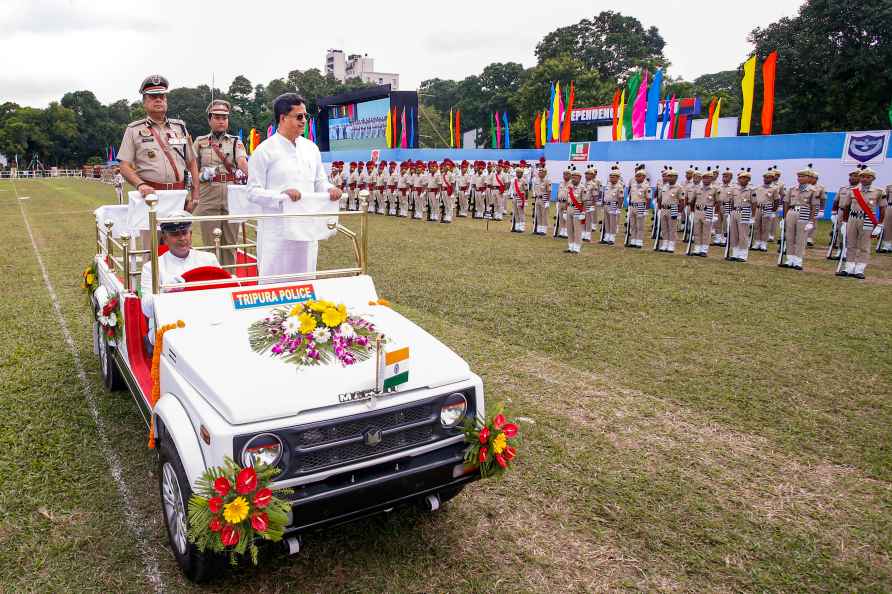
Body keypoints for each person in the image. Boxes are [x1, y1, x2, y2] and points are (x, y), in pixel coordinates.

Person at [246, 93, 341, 277]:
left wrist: (330, 189)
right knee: (274, 285)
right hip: (276, 232)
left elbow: (320, 180)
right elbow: (252, 192)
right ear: (283, 118)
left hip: (306, 228)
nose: (304, 120)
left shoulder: (311, 148)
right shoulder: (264, 150)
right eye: (299, 116)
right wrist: (281, 196)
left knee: (305, 282)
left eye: (305, 116)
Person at [117, 75, 201, 248]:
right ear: (144, 102)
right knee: (152, 251)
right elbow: (124, 166)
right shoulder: (134, 130)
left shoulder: (180, 127)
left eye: (161, 96)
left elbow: (191, 162)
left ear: (166, 100)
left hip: (179, 197)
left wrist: (196, 195)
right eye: (153, 97)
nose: (158, 100)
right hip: (152, 198)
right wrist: (140, 185)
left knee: (181, 248)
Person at [140, 211, 220, 345]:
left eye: (184, 233)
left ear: (191, 235)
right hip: (170, 323)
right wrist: (164, 291)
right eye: (175, 234)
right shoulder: (152, 267)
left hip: (206, 319)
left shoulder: (208, 259)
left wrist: (234, 282)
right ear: (165, 239)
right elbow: (147, 310)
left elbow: (222, 294)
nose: (182, 238)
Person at [192, 100, 248, 269]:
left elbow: (241, 160)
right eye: (217, 117)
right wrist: (203, 175)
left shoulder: (235, 141)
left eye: (224, 117)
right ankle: (212, 279)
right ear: (209, 120)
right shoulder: (200, 142)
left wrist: (251, 176)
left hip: (231, 195)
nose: (221, 121)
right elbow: (192, 170)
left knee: (230, 244)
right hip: (208, 195)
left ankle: (230, 278)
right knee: (210, 245)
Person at [836, 166, 886, 278]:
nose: (864, 179)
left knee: (864, 245)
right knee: (850, 244)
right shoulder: (853, 191)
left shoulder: (879, 192)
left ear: (873, 179)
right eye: (862, 176)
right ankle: (849, 267)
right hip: (852, 218)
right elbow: (847, 207)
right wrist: (844, 222)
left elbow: (883, 209)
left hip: (867, 220)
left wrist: (880, 224)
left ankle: (859, 269)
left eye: (868, 177)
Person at [779, 165, 819, 270]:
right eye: (799, 176)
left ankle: (798, 261)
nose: (800, 178)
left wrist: (811, 221)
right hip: (791, 212)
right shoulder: (792, 189)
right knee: (790, 237)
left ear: (809, 178)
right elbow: (786, 203)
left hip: (804, 213)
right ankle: (789, 259)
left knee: (801, 238)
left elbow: (814, 207)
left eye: (803, 176)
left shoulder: (813, 191)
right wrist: (784, 218)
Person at [688, 168, 719, 257]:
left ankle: (704, 249)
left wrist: (716, 214)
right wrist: (692, 212)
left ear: (711, 179)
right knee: (697, 231)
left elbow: (717, 202)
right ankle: (697, 248)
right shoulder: (697, 189)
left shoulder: (715, 189)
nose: (706, 179)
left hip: (708, 211)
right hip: (698, 211)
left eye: (708, 178)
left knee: (706, 231)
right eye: (704, 178)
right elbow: (692, 201)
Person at [727, 168, 755, 262]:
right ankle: (735, 253)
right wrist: (729, 213)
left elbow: (754, 204)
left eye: (744, 178)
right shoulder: (734, 189)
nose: (742, 180)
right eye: (740, 178)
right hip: (734, 212)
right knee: (734, 234)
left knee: (743, 234)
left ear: (748, 180)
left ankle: (742, 255)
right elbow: (731, 202)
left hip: (745, 212)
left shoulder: (751, 190)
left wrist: (753, 216)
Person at [751, 168, 779, 251]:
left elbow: (776, 200)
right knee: (757, 226)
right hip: (758, 208)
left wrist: (773, 211)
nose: (767, 179)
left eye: (769, 177)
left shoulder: (774, 189)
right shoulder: (758, 188)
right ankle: (757, 242)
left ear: (772, 179)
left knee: (765, 227)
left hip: (767, 208)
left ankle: (764, 243)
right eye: (765, 177)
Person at [656, 166, 682, 252]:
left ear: (676, 177)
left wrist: (679, 212)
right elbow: (660, 198)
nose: (669, 178)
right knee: (664, 228)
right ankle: (665, 243)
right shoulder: (664, 186)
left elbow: (682, 201)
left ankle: (671, 245)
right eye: (668, 176)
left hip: (673, 208)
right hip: (663, 209)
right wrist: (659, 209)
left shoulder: (679, 187)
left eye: (671, 176)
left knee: (672, 228)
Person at [627, 165, 650, 248]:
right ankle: (633, 241)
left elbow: (648, 199)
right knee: (633, 225)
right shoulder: (633, 185)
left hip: (641, 206)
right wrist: (629, 205)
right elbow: (630, 196)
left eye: (639, 176)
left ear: (643, 177)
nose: (637, 178)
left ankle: (639, 242)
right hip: (632, 206)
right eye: (636, 176)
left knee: (640, 225)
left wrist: (646, 209)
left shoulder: (646, 186)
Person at [564, 166, 585, 253]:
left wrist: (583, 212)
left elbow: (585, 201)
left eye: (576, 177)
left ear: (580, 178)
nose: (573, 179)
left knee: (577, 229)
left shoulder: (583, 188)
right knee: (569, 228)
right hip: (569, 208)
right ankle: (570, 246)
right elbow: (567, 199)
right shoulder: (569, 187)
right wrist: (565, 211)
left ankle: (577, 247)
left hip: (577, 209)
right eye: (573, 177)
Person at [531, 164, 550, 235]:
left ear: (545, 173)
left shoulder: (547, 181)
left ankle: (544, 230)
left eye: (542, 172)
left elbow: (549, 191)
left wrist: (547, 201)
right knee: (538, 214)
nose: (540, 173)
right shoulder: (536, 180)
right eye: (539, 172)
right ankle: (539, 229)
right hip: (537, 199)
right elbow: (535, 190)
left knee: (544, 215)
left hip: (544, 199)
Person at [510, 164, 528, 232]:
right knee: (515, 212)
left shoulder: (524, 180)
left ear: (522, 173)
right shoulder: (514, 180)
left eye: (519, 172)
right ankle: (517, 226)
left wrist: (525, 200)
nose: (517, 174)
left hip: (521, 198)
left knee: (521, 213)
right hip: (515, 197)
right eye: (517, 172)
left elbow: (526, 191)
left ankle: (522, 227)